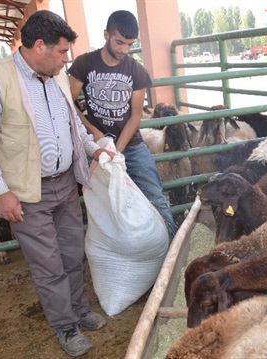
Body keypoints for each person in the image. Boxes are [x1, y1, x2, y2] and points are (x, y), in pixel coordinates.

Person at [0, 10, 114, 357]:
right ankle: (65, 326)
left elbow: (73, 126)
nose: (66, 59)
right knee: (48, 265)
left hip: (65, 183)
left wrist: (93, 150)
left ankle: (78, 310)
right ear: (38, 46)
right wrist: (0, 191)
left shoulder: (56, 76)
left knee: (73, 254)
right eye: (62, 52)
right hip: (26, 192)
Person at [68, 10, 178, 238]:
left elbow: (136, 115)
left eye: (130, 44)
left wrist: (115, 152)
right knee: (102, 201)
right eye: (119, 42)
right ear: (106, 34)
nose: (124, 50)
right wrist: (94, 132)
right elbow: (69, 102)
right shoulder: (85, 63)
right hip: (96, 145)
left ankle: (172, 248)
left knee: (154, 194)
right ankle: (119, 248)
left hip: (131, 144)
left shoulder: (136, 70)